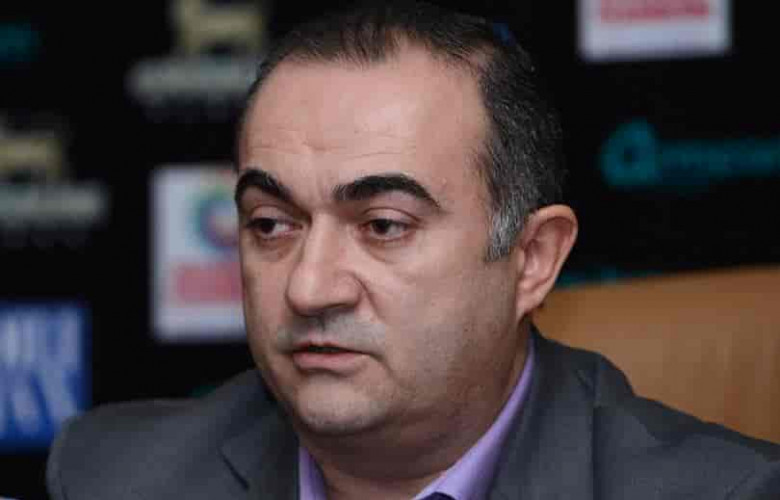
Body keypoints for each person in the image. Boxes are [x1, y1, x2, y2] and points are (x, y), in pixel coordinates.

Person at [47, 2, 780, 499]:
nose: (309, 288)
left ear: (531, 259)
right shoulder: (111, 477)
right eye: (271, 224)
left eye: (383, 226)